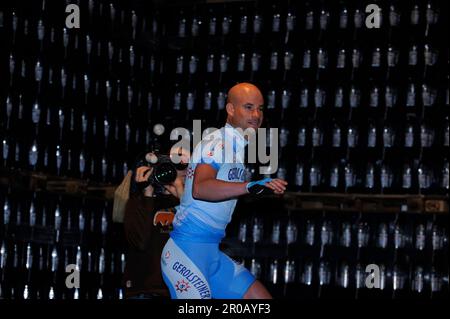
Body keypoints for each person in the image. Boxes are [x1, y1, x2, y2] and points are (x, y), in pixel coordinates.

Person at [161, 82, 288, 299]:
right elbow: (201, 189)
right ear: (230, 110)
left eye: (260, 108)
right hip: (187, 252)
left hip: (211, 253)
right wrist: (249, 186)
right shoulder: (218, 142)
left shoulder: (236, 148)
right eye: (249, 107)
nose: (256, 114)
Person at [123, 150, 188, 299]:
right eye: (178, 165)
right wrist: (147, 194)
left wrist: (183, 197)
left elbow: (199, 241)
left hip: (181, 291)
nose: (185, 170)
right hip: (144, 291)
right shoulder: (140, 200)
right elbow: (140, 242)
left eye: (188, 166)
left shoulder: (191, 202)